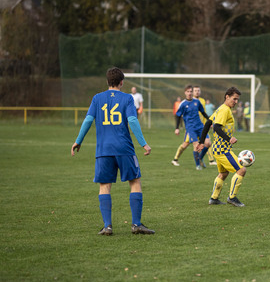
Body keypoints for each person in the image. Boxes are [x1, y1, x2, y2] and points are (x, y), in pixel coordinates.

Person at [71, 67, 154, 236]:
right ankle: (136, 224)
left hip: (103, 150)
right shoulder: (128, 98)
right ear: (122, 82)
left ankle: (108, 226)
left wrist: (78, 141)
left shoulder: (97, 98)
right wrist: (143, 143)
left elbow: (88, 120)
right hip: (124, 148)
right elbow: (132, 120)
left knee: (105, 186)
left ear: (107, 82)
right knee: (135, 181)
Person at [196, 86, 247, 207]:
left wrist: (202, 141)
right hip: (222, 150)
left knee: (223, 174)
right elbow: (217, 127)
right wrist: (229, 139)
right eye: (234, 99)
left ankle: (214, 198)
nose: (235, 102)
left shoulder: (221, 109)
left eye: (237, 100)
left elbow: (208, 122)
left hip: (217, 149)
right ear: (227, 97)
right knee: (241, 170)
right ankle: (232, 198)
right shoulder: (224, 110)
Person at [172, 85, 211, 169]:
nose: (189, 93)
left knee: (208, 143)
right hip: (191, 128)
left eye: (191, 91)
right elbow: (178, 116)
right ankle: (198, 165)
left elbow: (203, 112)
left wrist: (209, 121)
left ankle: (200, 158)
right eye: (188, 91)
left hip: (200, 126)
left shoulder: (197, 102)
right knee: (196, 145)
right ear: (185, 93)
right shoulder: (183, 104)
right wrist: (177, 128)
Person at [204, 99, 217, 166]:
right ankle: (199, 160)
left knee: (208, 143)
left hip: (208, 119)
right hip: (195, 128)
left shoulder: (210, 106)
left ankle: (211, 160)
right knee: (185, 144)